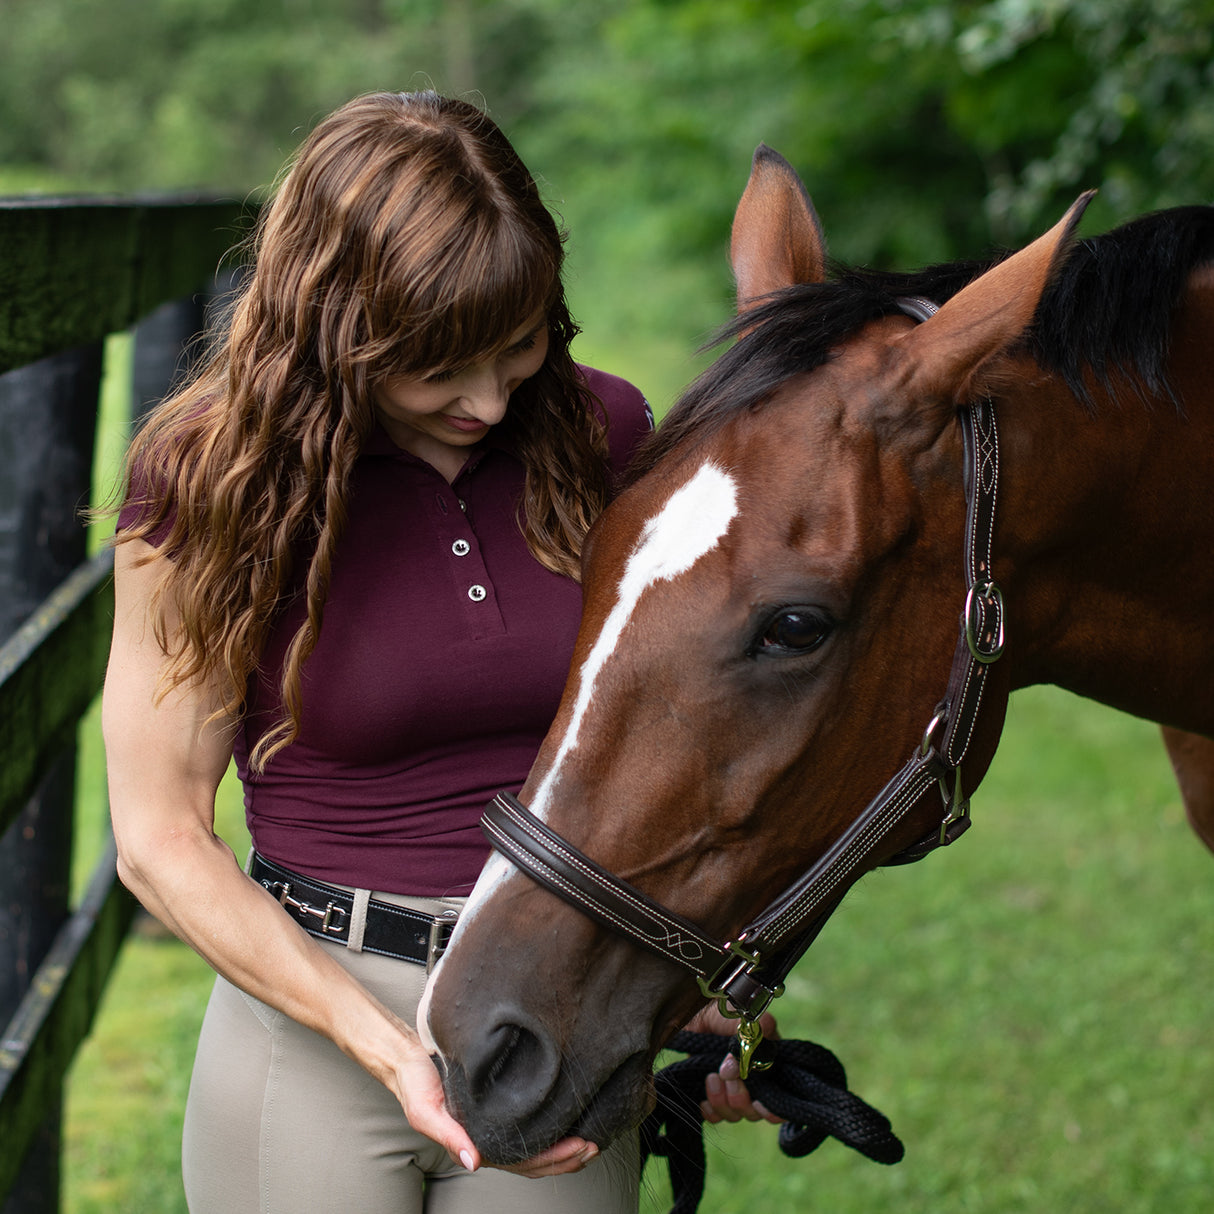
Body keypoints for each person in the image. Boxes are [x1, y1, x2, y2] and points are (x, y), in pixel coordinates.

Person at [102, 90, 777, 1214]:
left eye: (514, 348)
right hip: (313, 1012)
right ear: (334, 329)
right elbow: (158, 835)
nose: (484, 399)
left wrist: (689, 970)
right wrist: (384, 1047)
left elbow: (678, 726)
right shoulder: (209, 479)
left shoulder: (600, 434)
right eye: (435, 368)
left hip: (554, 996)